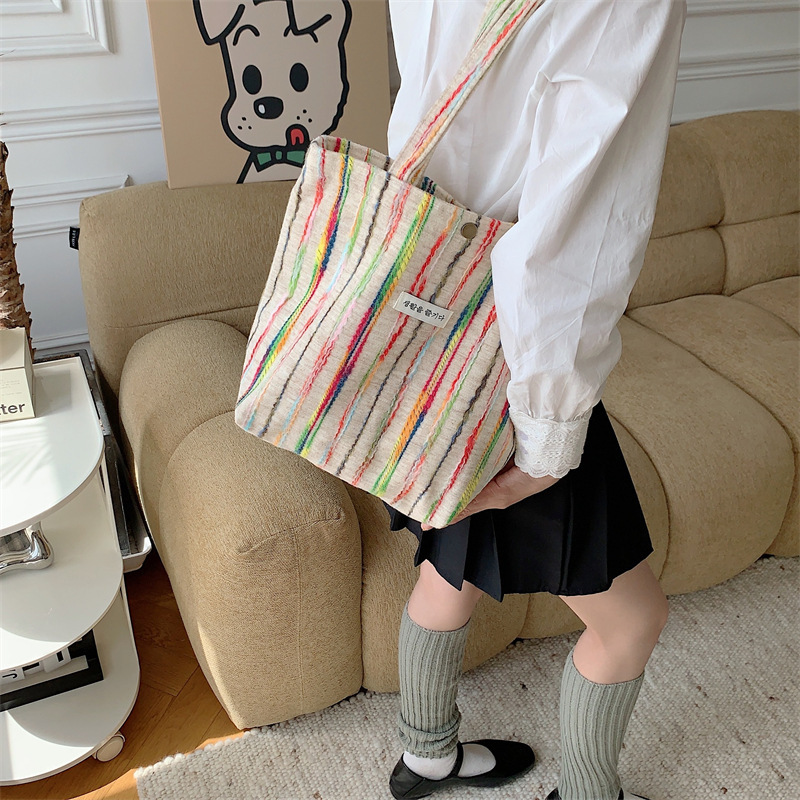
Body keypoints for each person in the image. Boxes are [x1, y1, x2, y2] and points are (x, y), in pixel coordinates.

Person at [382, 1, 688, 799]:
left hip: (424, 327)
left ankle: (425, 756)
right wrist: (549, 431)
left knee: (451, 559)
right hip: (515, 354)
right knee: (631, 619)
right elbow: (578, 225)